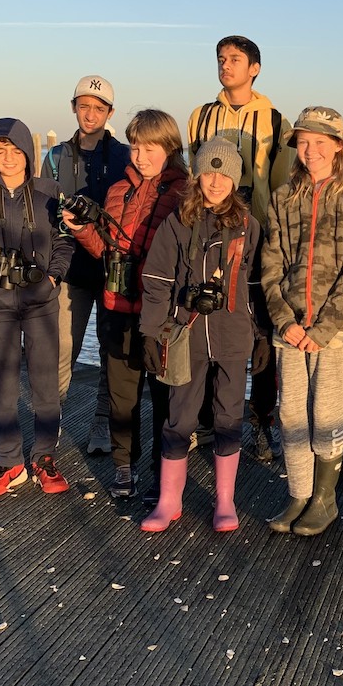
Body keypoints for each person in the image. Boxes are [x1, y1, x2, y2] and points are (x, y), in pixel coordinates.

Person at [63, 109, 189, 500]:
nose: (140, 155)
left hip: (162, 317)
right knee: (122, 396)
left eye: (150, 147)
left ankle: (160, 474)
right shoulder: (118, 190)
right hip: (116, 307)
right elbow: (107, 251)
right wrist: (83, 229)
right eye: (135, 146)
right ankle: (124, 467)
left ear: (169, 148)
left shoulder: (185, 193)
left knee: (166, 398)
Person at [138, 138, 261, 533]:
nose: (216, 181)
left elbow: (256, 283)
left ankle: (224, 500)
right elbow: (156, 280)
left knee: (229, 416)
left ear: (235, 179)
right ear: (198, 175)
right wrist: (151, 332)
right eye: (209, 171)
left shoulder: (248, 226)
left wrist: (260, 336)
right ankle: (169, 500)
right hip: (184, 334)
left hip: (232, 333)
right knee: (179, 417)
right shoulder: (177, 222)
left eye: (224, 173)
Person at [261, 107, 343, 535]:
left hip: (334, 331)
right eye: (303, 142)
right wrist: (283, 319)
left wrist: (323, 329)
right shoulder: (283, 198)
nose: (310, 150)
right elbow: (270, 263)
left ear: (339, 147)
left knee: (326, 413)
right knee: (291, 413)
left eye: (320, 142)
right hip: (288, 326)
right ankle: (299, 494)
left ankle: (325, 499)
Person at [187, 35, 295, 463]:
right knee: (206, 323)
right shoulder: (199, 116)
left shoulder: (275, 120)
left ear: (255, 68)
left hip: (258, 242)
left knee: (261, 336)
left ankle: (261, 421)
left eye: (235, 59)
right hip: (209, 240)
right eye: (220, 59)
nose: (225, 65)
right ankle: (209, 420)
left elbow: (284, 186)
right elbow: (193, 177)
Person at [0, 118, 73, 497]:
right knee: (1, 386)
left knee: (44, 384)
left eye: (14, 150)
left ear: (27, 152)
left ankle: (44, 457)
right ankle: (10, 462)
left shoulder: (49, 191)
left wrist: (52, 278)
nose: (7, 158)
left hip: (40, 301)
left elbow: (64, 242)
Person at [43, 75, 131, 456]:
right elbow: (43, 211)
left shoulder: (126, 156)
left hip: (113, 269)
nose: (90, 113)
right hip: (70, 268)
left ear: (109, 112)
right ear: (73, 107)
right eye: (84, 105)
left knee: (110, 349)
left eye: (98, 107)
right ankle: (51, 418)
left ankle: (101, 420)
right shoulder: (55, 157)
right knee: (63, 346)